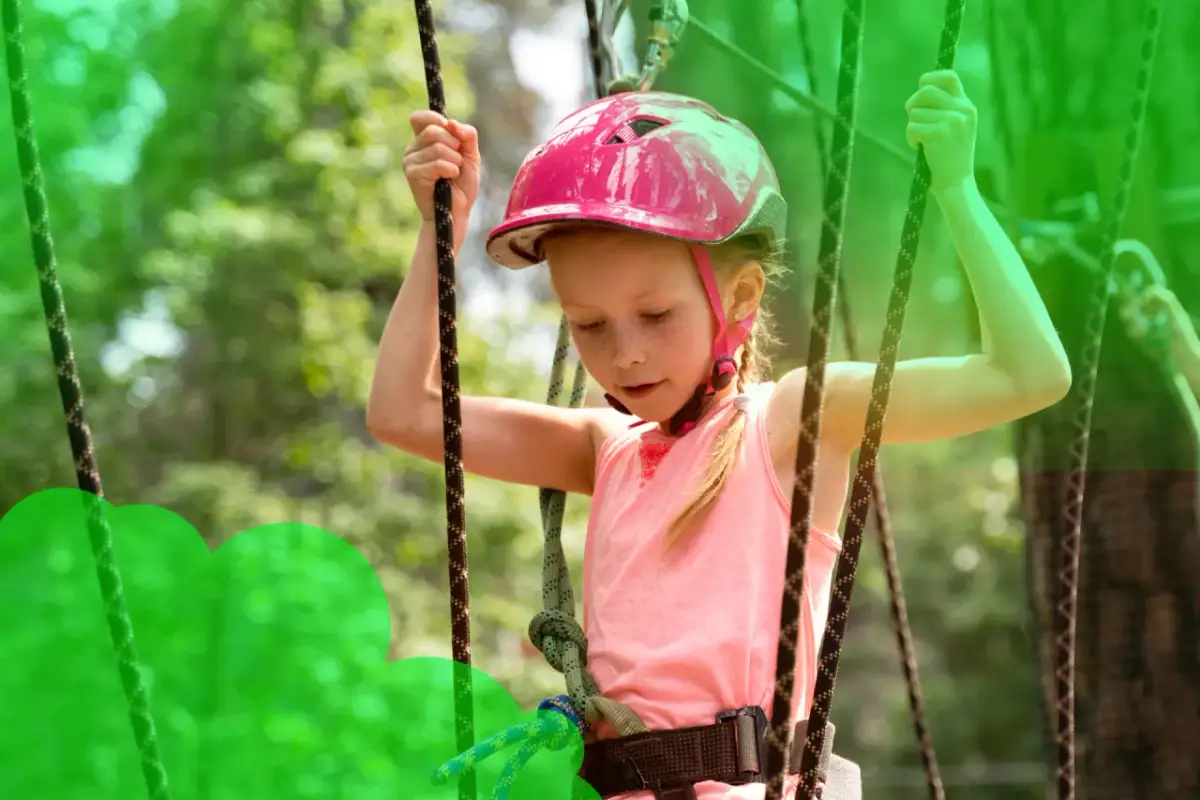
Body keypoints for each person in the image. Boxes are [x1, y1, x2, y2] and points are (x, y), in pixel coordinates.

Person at [368, 70, 1072, 799]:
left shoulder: (790, 424)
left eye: (656, 315)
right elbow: (407, 412)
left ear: (738, 297)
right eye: (590, 325)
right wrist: (436, 237)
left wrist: (957, 189)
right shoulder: (604, 448)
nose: (626, 351)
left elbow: (1029, 374)